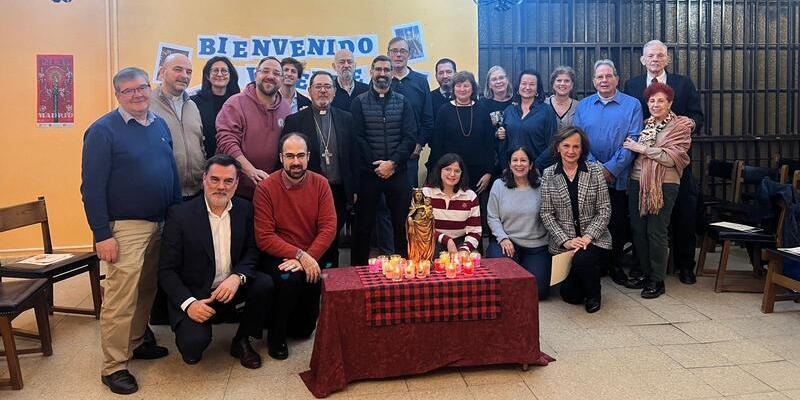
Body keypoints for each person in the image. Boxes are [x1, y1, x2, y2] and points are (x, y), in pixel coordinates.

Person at [81, 67, 180, 395]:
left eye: (141, 88)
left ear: (150, 88)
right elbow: (91, 188)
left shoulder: (159, 124)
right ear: (118, 95)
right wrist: (102, 234)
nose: (137, 95)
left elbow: (170, 171)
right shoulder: (102, 131)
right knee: (120, 298)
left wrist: (176, 214)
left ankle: (136, 341)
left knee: (147, 289)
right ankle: (113, 366)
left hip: (160, 222)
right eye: (128, 91)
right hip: (125, 228)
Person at [158, 155, 273, 368]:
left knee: (264, 283)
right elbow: (166, 271)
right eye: (215, 179)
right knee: (192, 349)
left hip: (231, 287)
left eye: (228, 181)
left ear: (236, 184)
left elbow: (252, 251)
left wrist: (237, 277)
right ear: (204, 179)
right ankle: (197, 329)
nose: (221, 186)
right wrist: (189, 304)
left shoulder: (245, 209)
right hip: (196, 293)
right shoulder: (180, 215)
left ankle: (242, 340)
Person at [623, 39, 704, 285]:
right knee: (642, 223)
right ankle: (643, 268)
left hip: (673, 163)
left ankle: (684, 265)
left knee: (684, 214)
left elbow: (697, 116)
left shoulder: (683, 83)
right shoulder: (632, 85)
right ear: (643, 60)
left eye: (660, 55)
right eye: (650, 56)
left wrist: (688, 124)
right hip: (643, 168)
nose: (655, 59)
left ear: (667, 58)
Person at [253, 133, 336, 360]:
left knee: (304, 330)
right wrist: (300, 256)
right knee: (290, 279)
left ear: (308, 157)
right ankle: (276, 335)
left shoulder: (321, 184)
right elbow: (264, 237)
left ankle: (289, 321)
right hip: (277, 254)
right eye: (290, 156)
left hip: (310, 253)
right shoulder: (266, 188)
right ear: (281, 158)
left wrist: (308, 257)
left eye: (300, 155)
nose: (296, 161)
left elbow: (329, 227)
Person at [573, 59, 643, 286]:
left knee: (617, 222)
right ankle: (597, 263)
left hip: (619, 177)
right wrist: (597, 169)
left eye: (608, 76)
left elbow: (634, 140)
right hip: (589, 176)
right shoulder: (583, 106)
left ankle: (615, 265)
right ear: (594, 81)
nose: (604, 80)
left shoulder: (632, 105)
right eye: (599, 77)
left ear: (616, 79)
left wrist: (611, 169)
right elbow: (578, 141)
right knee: (591, 221)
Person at [622, 83, 692, 299]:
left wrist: (642, 149)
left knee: (656, 231)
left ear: (670, 103)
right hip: (637, 180)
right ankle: (645, 273)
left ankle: (657, 279)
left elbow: (673, 158)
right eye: (651, 100)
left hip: (664, 183)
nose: (655, 104)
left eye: (661, 100)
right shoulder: (645, 125)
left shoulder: (680, 126)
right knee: (638, 229)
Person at [282, 71, 355, 267]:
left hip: (338, 192)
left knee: (332, 241)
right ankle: (309, 277)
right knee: (308, 239)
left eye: (327, 87)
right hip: (307, 192)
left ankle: (331, 279)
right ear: (309, 90)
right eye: (318, 87)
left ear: (334, 92)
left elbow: (354, 156)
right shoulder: (295, 120)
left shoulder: (346, 118)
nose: (323, 91)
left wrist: (354, 189)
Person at [350, 55, 417, 266]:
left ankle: (404, 270)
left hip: (398, 172)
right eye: (378, 69)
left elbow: (410, 137)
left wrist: (392, 163)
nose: (382, 74)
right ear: (371, 72)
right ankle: (358, 271)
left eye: (386, 70)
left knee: (401, 225)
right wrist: (378, 165)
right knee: (363, 228)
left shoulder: (403, 102)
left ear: (392, 74)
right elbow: (357, 137)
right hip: (368, 174)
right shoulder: (359, 102)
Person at [540, 127, 612, 313]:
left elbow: (604, 209)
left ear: (582, 149)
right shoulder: (549, 174)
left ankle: (594, 295)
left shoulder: (595, 171)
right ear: (558, 147)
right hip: (565, 243)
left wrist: (587, 238)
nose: (571, 151)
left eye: (576, 146)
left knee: (583, 257)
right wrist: (566, 241)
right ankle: (582, 278)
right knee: (571, 297)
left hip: (594, 240)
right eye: (566, 146)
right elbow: (546, 213)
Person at [428, 71, 495, 242]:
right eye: (458, 85)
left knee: (473, 216)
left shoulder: (482, 110)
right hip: (450, 172)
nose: (462, 89)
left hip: (477, 174)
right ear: (453, 88)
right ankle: (446, 245)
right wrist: (435, 174)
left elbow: (489, 144)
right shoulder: (444, 110)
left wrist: (488, 172)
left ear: (473, 88)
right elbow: (437, 144)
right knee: (450, 213)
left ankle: (473, 249)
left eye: (466, 85)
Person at [216, 56, 291, 199]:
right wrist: (250, 171)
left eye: (276, 73)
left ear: (282, 80)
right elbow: (226, 142)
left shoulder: (285, 108)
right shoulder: (235, 104)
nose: (270, 76)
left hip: (270, 189)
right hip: (236, 190)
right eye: (265, 71)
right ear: (256, 75)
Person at [486, 146, 551, 299]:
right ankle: (517, 270)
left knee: (539, 292)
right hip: (507, 243)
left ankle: (524, 268)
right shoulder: (499, 185)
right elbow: (492, 217)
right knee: (504, 287)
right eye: (515, 160)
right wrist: (503, 238)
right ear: (509, 164)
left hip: (536, 245)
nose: (519, 164)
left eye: (523, 160)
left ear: (531, 164)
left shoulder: (542, 186)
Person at [150, 53, 205, 199]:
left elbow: (200, 143)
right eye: (178, 69)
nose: (184, 75)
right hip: (162, 193)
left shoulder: (192, 105)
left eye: (189, 72)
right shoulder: (147, 105)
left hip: (195, 192)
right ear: (162, 72)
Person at [387, 37, 434, 187]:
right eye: (394, 51)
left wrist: (419, 145)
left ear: (409, 54)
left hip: (411, 153)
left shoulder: (421, 81)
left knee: (408, 198)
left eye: (403, 51)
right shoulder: (381, 80)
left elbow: (428, 119)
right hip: (385, 153)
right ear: (388, 54)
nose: (398, 55)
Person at [497, 69, 558, 172]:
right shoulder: (509, 111)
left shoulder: (547, 111)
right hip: (513, 171)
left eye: (532, 84)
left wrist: (536, 165)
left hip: (538, 171)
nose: (527, 87)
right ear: (518, 86)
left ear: (537, 88)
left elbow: (553, 144)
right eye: (524, 83)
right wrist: (504, 167)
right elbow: (503, 143)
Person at [423, 153, 482, 253]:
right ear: (439, 170)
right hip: (432, 243)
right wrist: (446, 240)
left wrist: (464, 249)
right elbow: (422, 227)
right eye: (448, 169)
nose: (452, 174)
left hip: (461, 244)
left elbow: (475, 231)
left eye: (457, 171)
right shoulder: (426, 193)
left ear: (462, 174)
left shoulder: (470, 196)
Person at [191, 56, 240, 157]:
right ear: (207, 76)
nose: (220, 74)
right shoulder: (194, 102)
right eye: (215, 71)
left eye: (224, 71)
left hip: (233, 158)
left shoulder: (238, 102)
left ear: (230, 75)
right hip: (203, 158)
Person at [544, 66, 580, 130]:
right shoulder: (543, 104)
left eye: (567, 81)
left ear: (572, 85)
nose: (562, 84)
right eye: (559, 80)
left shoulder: (579, 106)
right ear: (553, 84)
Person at [407, 187, 435, 262]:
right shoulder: (413, 207)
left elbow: (430, 215)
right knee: (416, 242)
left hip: (426, 227)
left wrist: (430, 218)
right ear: (414, 196)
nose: (419, 197)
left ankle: (426, 258)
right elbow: (410, 215)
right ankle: (416, 258)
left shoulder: (427, 206)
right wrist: (410, 219)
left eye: (420, 195)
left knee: (426, 243)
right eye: (417, 195)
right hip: (416, 227)